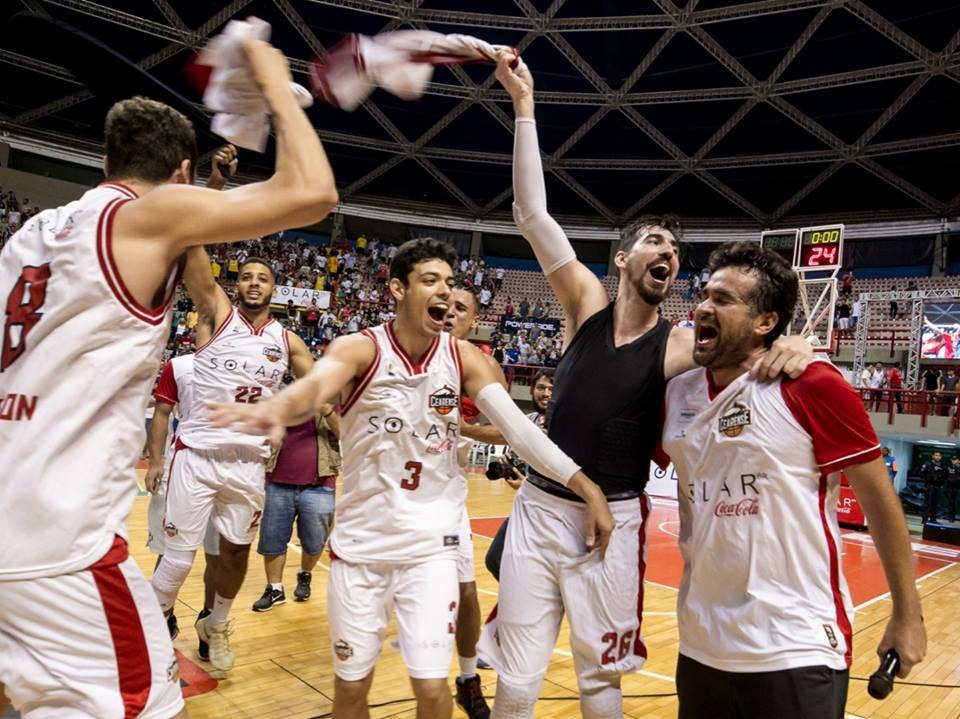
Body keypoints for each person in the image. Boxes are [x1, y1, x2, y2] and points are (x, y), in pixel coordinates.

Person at [0, 35, 338, 718]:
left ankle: (216, 617)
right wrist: (274, 82)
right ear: (180, 172)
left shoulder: (31, 236)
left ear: (103, 159)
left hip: (17, 511)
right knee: (152, 704)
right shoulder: (143, 216)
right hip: (57, 543)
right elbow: (314, 191)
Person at [486, 52, 813, 718]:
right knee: (516, 681)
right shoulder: (583, 300)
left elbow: (753, 331)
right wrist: (524, 108)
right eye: (657, 241)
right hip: (539, 509)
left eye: (676, 250)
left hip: (616, 517)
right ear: (624, 257)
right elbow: (529, 213)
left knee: (599, 680)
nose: (669, 252)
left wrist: (793, 340)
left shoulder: (680, 343)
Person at [209, 238, 613, 719]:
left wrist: (585, 485)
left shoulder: (463, 357)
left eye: (449, 281)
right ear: (398, 288)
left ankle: (465, 678)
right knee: (351, 694)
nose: (443, 291)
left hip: (429, 549)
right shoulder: (360, 348)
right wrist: (276, 407)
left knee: (431, 690)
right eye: (430, 281)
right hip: (362, 551)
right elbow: (315, 386)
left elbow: (520, 431)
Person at [660, 242, 925, 719]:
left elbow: (881, 504)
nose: (703, 307)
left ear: (766, 322)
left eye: (723, 299)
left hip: (795, 643)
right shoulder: (676, 394)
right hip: (700, 643)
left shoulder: (813, 383)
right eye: (704, 295)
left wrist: (907, 615)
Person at [150, 245, 316, 677]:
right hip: (198, 457)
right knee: (179, 558)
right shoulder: (216, 315)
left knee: (236, 554)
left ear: (275, 289)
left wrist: (286, 412)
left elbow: (319, 390)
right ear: (236, 284)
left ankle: (216, 625)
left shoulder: (287, 341)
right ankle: (148, 635)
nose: (254, 283)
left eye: (263, 277)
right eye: (247, 276)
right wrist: (209, 191)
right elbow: (193, 258)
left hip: (247, 464)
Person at [442, 286, 512, 719]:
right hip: (389, 496)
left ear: (474, 322)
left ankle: (468, 678)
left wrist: (463, 429)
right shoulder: (401, 351)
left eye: (460, 309)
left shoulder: (483, 366)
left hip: (446, 498)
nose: (449, 313)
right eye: (444, 305)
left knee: (467, 592)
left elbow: (508, 430)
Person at [145, 352, 222, 661]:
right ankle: (163, 619)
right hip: (181, 465)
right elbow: (161, 413)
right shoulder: (180, 365)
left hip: (225, 473)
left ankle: (209, 623)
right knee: (167, 551)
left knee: (217, 557)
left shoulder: (247, 363)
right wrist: (155, 462)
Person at [252, 403, 340, 611]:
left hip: (321, 482)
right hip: (277, 480)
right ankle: (275, 588)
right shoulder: (280, 392)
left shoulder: (335, 392)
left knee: (315, 541)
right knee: (272, 538)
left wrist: (326, 409)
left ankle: (305, 574)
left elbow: (344, 433)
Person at [480, 369, 553, 582]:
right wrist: (509, 465)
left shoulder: (566, 424)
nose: (546, 393)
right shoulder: (527, 420)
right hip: (527, 506)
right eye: (541, 387)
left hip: (553, 512)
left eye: (551, 389)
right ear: (532, 390)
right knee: (495, 560)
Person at [920, 451, 947, 525]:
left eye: (939, 456)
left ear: (941, 457)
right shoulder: (928, 464)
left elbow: (945, 477)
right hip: (929, 486)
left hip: (938, 487)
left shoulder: (943, 466)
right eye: (936, 455)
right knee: (927, 503)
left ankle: (933, 519)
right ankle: (924, 519)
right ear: (933, 456)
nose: (937, 457)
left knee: (935, 504)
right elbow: (921, 474)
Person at [946, 456, 960, 523]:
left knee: (957, 502)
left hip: (958, 488)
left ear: (959, 461)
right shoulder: (949, 467)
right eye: (953, 460)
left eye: (955, 460)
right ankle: (951, 518)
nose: (954, 461)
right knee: (951, 503)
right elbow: (946, 476)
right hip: (950, 488)